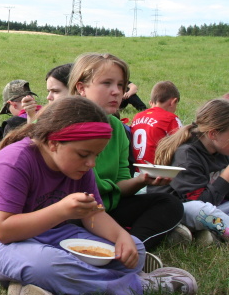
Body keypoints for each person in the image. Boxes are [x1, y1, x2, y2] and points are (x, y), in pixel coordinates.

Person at [0, 96, 197, 295]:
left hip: (53, 235)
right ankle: (137, 286)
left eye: (96, 155)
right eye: (84, 154)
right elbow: (5, 231)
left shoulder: (79, 167)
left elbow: (94, 213)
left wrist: (121, 236)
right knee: (46, 264)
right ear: (53, 143)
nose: (91, 163)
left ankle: (30, 289)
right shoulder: (13, 163)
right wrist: (61, 211)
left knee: (134, 249)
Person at [69, 53, 183, 262]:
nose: (117, 91)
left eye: (121, 85)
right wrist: (112, 189)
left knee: (170, 203)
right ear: (81, 87)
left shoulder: (117, 127)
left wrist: (142, 180)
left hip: (108, 208)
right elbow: (80, 188)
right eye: (107, 83)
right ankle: (118, 248)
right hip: (77, 211)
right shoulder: (67, 126)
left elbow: (121, 183)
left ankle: (132, 247)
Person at [150, 98, 229, 245]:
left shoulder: (222, 151)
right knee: (202, 211)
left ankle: (207, 234)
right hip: (179, 209)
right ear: (213, 134)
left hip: (212, 206)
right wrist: (226, 176)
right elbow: (201, 201)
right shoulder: (187, 155)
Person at [130, 81, 182, 166]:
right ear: (173, 102)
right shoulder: (170, 118)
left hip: (135, 169)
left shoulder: (137, 116)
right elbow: (182, 147)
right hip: (156, 170)